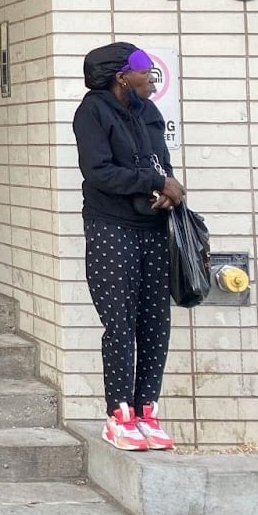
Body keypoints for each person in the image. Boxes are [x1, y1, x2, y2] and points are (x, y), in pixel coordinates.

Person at [72, 42, 185, 452]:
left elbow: (161, 165)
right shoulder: (92, 112)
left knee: (155, 321)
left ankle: (146, 412)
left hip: (152, 225)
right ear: (122, 77)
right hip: (110, 225)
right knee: (120, 323)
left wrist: (168, 190)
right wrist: (153, 182)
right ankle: (119, 415)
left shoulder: (149, 112)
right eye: (144, 72)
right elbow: (98, 172)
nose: (151, 80)